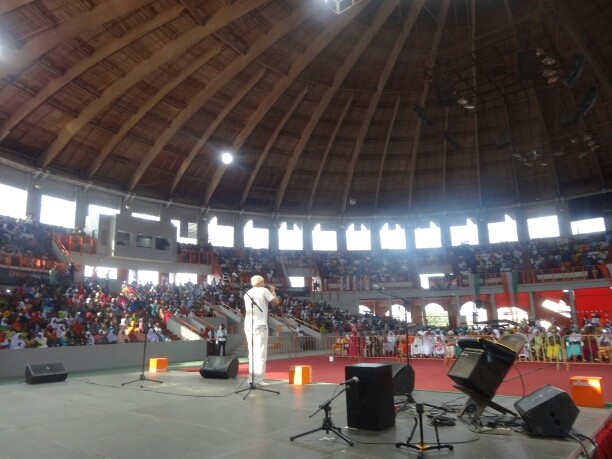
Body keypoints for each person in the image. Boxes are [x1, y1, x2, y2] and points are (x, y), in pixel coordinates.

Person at [243, 275, 279, 387]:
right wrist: (273, 291)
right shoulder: (264, 290)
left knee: (252, 353)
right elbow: (276, 302)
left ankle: (251, 378)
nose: (264, 284)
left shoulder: (247, 293)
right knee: (260, 353)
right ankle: (258, 379)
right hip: (260, 325)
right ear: (260, 283)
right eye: (263, 282)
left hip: (248, 325)